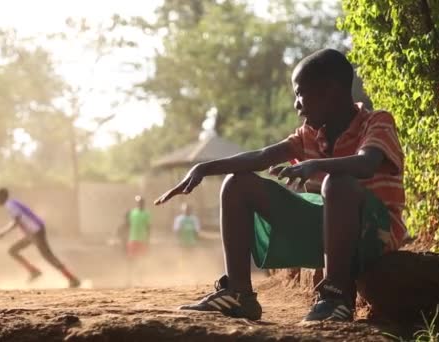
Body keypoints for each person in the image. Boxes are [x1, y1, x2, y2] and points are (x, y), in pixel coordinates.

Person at [154, 48, 407, 322]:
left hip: (373, 233)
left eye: (301, 93)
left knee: (337, 183)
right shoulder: (308, 134)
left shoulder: (377, 121)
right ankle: (239, 294)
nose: (297, 104)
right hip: (328, 231)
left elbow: (366, 163)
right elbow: (262, 157)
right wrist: (204, 168)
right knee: (237, 184)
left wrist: (317, 165)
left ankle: (336, 296)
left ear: (330, 91)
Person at [0, 187, 81, 288]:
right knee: (12, 251)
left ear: (1, 197)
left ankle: (72, 279)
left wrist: (3, 232)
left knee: (48, 256)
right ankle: (33, 271)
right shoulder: (12, 203)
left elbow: (17, 221)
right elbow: (22, 219)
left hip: (36, 232)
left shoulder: (10, 205)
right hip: (31, 233)